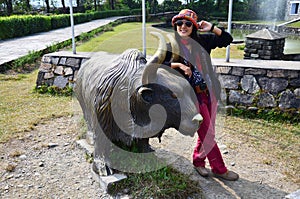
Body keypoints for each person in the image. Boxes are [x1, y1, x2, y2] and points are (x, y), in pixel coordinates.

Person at [165, 9, 239, 181]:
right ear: (175, 25)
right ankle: (219, 169)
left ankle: (198, 161)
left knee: (207, 131)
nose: (183, 26)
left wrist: (212, 27)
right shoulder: (171, 46)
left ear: (194, 26)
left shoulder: (203, 41)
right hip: (191, 97)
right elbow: (159, 65)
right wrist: (178, 66)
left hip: (210, 91)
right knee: (208, 134)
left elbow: (227, 39)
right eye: (180, 23)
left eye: (188, 24)